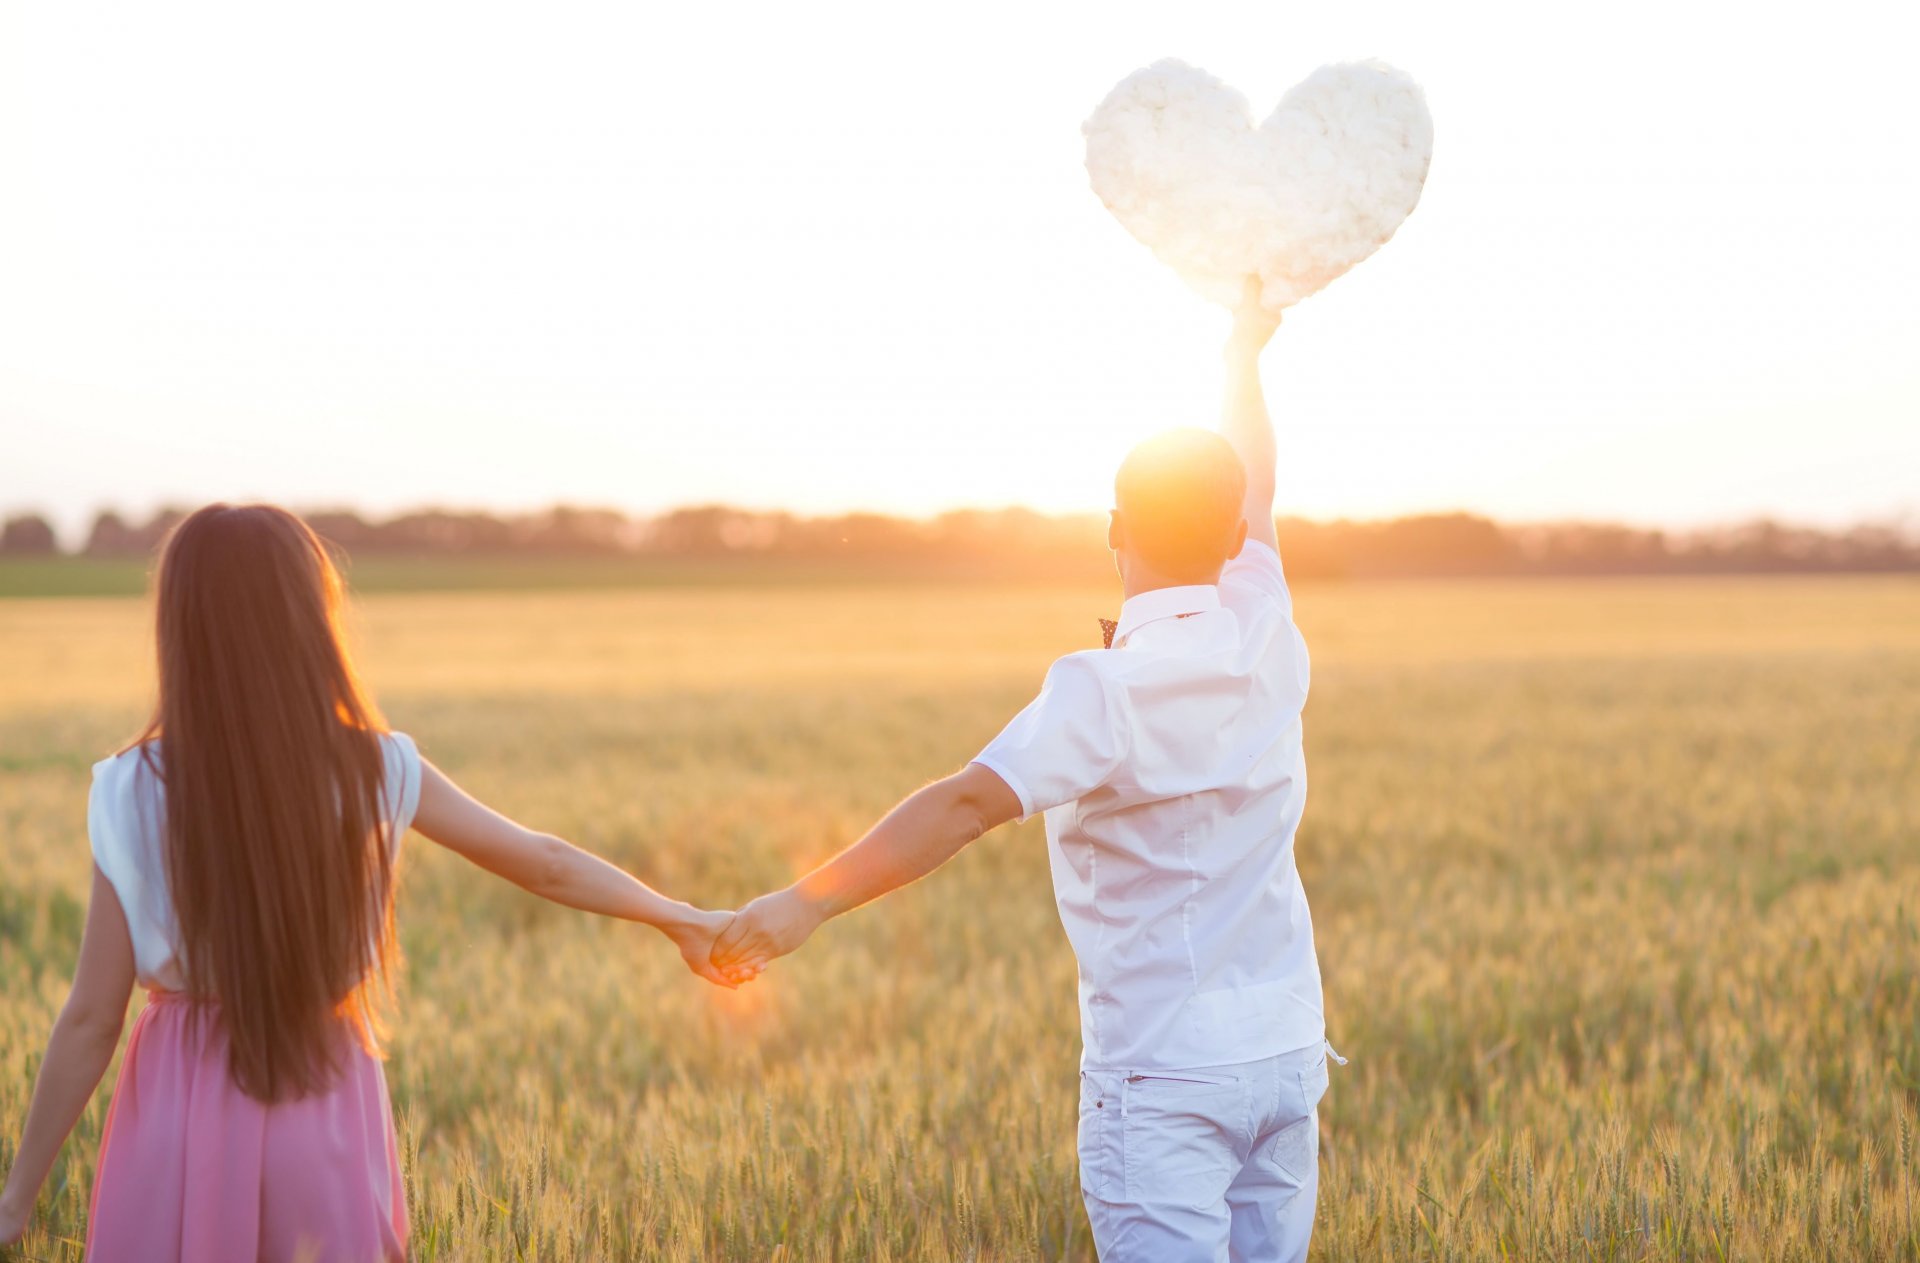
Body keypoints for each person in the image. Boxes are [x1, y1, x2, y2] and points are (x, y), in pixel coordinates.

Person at [711, 280, 1338, 1262]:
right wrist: (1242, 359)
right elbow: (1254, 481)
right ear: (1230, 539)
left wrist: (806, 904)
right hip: (1283, 1055)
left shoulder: (1102, 690)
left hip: (1165, 1075)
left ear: (1113, 530)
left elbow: (965, 803)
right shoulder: (1268, 626)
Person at [0, 504, 737, 1261]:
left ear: (180, 626)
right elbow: (543, 859)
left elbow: (92, 1018)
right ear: (310, 618)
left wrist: (16, 1197)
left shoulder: (126, 788)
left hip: (176, 1124)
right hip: (319, 1104)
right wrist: (676, 915)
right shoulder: (376, 767)